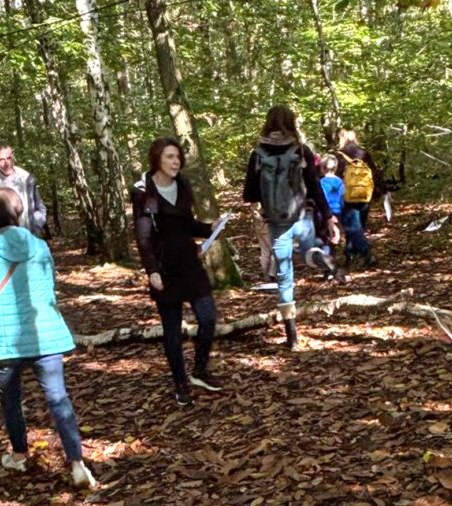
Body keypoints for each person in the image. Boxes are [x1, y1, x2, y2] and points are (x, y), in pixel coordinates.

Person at [0, 187, 96, 489]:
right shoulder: (40, 246)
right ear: (19, 212)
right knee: (58, 398)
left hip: (6, 343)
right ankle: (78, 463)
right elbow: (49, 288)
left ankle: (19, 455)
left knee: (11, 400)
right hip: (46, 336)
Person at [131, 137, 226, 408]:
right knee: (172, 330)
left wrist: (210, 229)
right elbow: (143, 236)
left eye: (177, 157)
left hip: (189, 262)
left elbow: (186, 224)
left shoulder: (182, 185)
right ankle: (180, 383)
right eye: (170, 157)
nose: (176, 162)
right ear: (157, 160)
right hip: (165, 267)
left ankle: (200, 370)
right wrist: (152, 271)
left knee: (208, 317)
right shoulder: (143, 192)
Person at [243, 105, 343, 347]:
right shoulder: (301, 150)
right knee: (309, 248)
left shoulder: (257, 154)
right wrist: (328, 217)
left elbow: (250, 194)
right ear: (291, 122)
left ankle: (292, 337)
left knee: (284, 277)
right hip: (302, 217)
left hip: (277, 223)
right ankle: (318, 256)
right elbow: (316, 187)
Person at [335, 128, 388, 266]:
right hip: (365, 194)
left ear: (341, 137)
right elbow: (375, 173)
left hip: (348, 195)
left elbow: (336, 176)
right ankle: (350, 254)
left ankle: (367, 254)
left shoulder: (339, 155)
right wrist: (383, 191)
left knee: (352, 227)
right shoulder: (363, 153)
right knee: (358, 226)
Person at [0, 143, 47, 237]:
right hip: (1, 241)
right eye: (1, 159)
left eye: (8, 158)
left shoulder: (26, 178)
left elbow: (39, 207)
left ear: (13, 157)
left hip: (28, 237)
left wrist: (36, 225)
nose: (6, 163)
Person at [321, 153, 370, 267]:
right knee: (342, 234)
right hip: (340, 212)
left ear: (322, 168)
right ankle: (348, 257)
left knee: (329, 238)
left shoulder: (321, 182)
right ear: (336, 168)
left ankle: (330, 265)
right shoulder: (340, 182)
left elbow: (322, 199)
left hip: (327, 213)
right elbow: (343, 197)